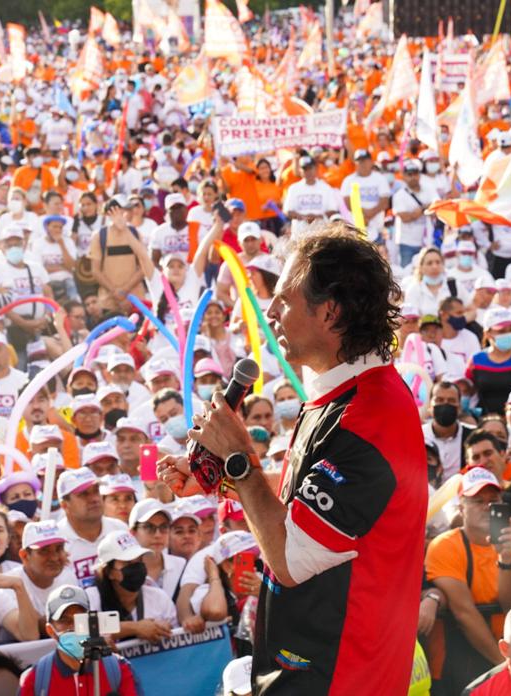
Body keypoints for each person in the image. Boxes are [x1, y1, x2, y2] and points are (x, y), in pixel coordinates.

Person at [161, 224, 427, 693]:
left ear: (329, 312)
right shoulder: (339, 397)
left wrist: (240, 458)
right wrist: (225, 475)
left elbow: (289, 557)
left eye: (284, 298)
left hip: (341, 676)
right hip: (312, 667)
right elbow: (298, 517)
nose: (270, 311)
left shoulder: (370, 415)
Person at [425, 468, 511, 694]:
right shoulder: (444, 545)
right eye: (477, 500)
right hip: (453, 666)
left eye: (493, 500)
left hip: (505, 658)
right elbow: (464, 612)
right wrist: (504, 666)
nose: (487, 506)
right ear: (461, 507)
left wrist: (506, 561)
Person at [18, 584, 138, 695]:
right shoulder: (35, 678)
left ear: (92, 623)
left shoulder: (119, 668)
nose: (74, 627)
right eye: (65, 621)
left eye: (80, 619)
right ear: (51, 631)